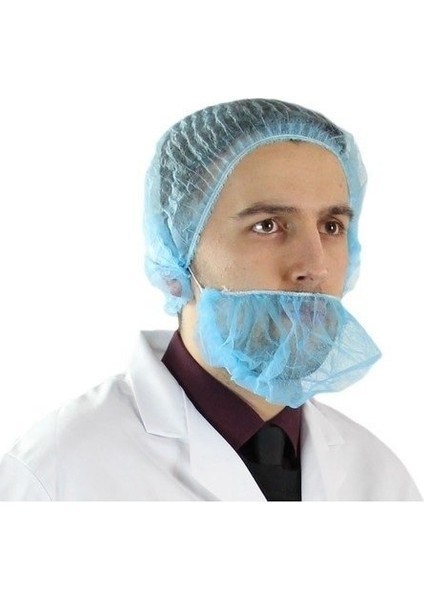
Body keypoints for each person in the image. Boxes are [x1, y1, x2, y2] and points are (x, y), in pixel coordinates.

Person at [0, 98, 421, 501]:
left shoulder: (380, 479)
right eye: (268, 225)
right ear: (177, 251)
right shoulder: (55, 477)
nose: (315, 267)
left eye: (331, 226)